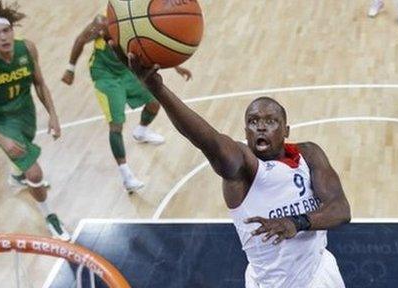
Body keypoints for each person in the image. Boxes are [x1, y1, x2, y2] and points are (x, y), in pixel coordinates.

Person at [116, 49, 352, 287]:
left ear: (286, 131)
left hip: (319, 271)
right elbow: (209, 141)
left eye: (270, 121)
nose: (260, 127)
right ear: (245, 131)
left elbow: (341, 210)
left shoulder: (309, 154)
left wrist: (295, 222)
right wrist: (158, 89)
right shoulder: (243, 169)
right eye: (253, 121)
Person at [61, 15, 192, 194]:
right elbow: (81, 39)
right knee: (116, 125)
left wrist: (176, 67)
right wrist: (70, 69)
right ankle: (126, 175)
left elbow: (153, 48)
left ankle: (141, 131)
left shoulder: (137, 22)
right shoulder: (102, 23)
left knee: (154, 103)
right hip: (105, 76)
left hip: (125, 71)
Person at [0, 0, 69, 241]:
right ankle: (51, 218)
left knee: (24, 165)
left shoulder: (27, 48)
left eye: (6, 30)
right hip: (1, 120)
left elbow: (39, 83)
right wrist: (2, 140)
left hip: (25, 113)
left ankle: (17, 177)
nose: (3, 37)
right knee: (35, 174)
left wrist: (53, 115)